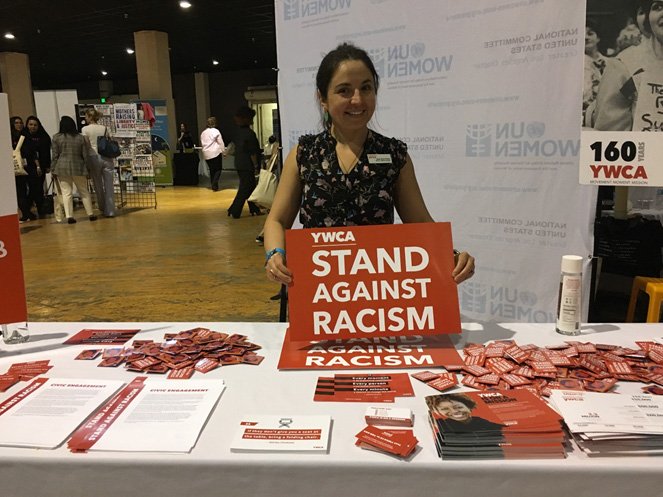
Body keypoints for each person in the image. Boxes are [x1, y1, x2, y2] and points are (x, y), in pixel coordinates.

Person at [263, 42, 475, 284]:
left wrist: (454, 256)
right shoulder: (304, 154)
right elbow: (277, 220)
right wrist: (275, 254)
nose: (357, 99)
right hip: (317, 290)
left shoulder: (395, 155)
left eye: (366, 88)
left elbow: (420, 223)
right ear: (322, 98)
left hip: (376, 292)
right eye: (344, 90)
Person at [51, 116, 96, 224]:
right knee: (84, 191)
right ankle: (90, 214)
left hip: (61, 167)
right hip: (78, 166)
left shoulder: (56, 137)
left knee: (67, 193)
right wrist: (88, 168)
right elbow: (85, 155)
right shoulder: (80, 138)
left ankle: (69, 216)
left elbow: (55, 156)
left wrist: (53, 169)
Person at [227, 106, 262, 218]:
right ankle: (234, 210)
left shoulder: (237, 133)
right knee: (245, 188)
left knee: (250, 186)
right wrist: (256, 165)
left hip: (239, 162)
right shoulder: (250, 134)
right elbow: (252, 152)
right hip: (247, 164)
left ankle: (254, 209)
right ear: (246, 118)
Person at [81, 108, 116, 217]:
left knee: (98, 184)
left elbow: (86, 145)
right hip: (107, 157)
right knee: (109, 185)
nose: (85, 118)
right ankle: (110, 211)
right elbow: (110, 140)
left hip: (93, 157)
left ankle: (102, 207)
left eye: (86, 116)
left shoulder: (85, 129)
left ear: (89, 117)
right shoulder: (104, 128)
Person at [426, 393, 505, 434]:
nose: (454, 411)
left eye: (459, 407)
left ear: (468, 406)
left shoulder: (482, 422)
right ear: (438, 412)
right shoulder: (440, 423)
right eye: (444, 409)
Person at [22, 115, 51, 218]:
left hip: (41, 166)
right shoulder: (23, 136)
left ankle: (39, 209)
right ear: (27, 125)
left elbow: (47, 151)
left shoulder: (43, 136)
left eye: (35, 125)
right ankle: (29, 210)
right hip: (27, 166)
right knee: (33, 188)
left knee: (38, 188)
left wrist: (48, 165)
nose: (33, 127)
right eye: (30, 124)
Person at [10, 116, 33, 222]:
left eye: (20, 122)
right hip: (16, 166)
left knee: (28, 190)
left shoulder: (25, 135)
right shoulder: (9, 136)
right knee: (21, 191)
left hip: (27, 165)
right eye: (16, 123)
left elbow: (30, 150)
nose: (19, 124)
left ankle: (27, 212)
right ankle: (26, 213)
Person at [200, 116, 225, 191]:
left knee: (211, 170)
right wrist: (223, 151)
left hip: (206, 154)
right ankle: (214, 184)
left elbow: (202, 143)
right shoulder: (216, 131)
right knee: (218, 169)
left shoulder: (203, 133)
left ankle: (213, 185)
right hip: (215, 153)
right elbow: (220, 142)